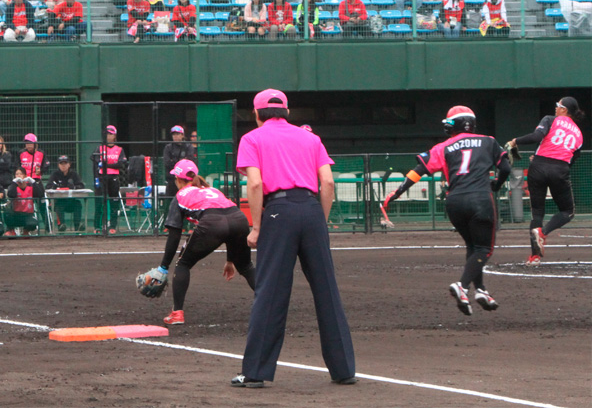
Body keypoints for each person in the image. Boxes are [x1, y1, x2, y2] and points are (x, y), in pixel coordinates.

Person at [233, 89, 355, 388]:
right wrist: (319, 221)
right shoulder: (310, 138)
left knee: (271, 292)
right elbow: (327, 182)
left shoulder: (252, 139)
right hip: (312, 209)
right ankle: (344, 370)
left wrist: (257, 227)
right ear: (286, 111)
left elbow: (256, 183)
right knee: (327, 289)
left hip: (278, 210)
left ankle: (256, 373)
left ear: (257, 114)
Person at [382, 106, 511, 315]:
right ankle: (462, 286)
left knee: (473, 245)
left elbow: (419, 171)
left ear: (456, 125)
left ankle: (480, 290)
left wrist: (397, 192)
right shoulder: (488, 141)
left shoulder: (443, 146)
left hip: (455, 202)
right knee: (484, 249)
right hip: (479, 198)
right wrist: (496, 184)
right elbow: (505, 168)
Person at [144, 159, 255, 326]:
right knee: (246, 266)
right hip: (239, 219)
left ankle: (177, 314)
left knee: (183, 264)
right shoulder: (212, 190)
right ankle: (270, 303)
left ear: (179, 180)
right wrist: (231, 260)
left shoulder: (180, 196)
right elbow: (228, 223)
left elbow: (174, 236)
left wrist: (164, 267)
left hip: (212, 224)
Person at [506, 98, 585, 266]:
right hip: (559, 169)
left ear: (564, 110)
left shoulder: (550, 119)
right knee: (567, 212)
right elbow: (571, 160)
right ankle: (544, 232)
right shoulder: (579, 134)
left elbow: (537, 136)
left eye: (558, 106)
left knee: (537, 213)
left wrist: (516, 141)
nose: (555, 108)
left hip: (538, 166)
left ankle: (535, 257)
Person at [47, 155, 85, 231]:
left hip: (71, 201)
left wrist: (74, 187)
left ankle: (77, 226)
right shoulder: (55, 174)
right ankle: (61, 225)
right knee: (58, 205)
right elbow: (48, 186)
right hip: (59, 202)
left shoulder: (73, 174)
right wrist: (53, 187)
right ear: (58, 165)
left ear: (69, 164)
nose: (63, 166)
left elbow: (81, 185)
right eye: (61, 164)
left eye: (65, 163)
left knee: (78, 204)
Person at [162, 125, 194, 199]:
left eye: (177, 134)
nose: (175, 136)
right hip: (171, 179)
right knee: (170, 200)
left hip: (185, 180)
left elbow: (190, 161)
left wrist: (174, 162)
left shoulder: (188, 147)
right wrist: (181, 163)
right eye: (173, 134)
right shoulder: (168, 147)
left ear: (182, 135)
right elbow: (167, 162)